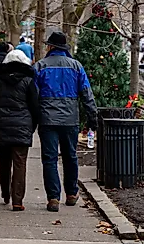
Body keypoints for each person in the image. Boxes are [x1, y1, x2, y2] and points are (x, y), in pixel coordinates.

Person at [34, 31, 97, 213]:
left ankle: (53, 198)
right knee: (70, 156)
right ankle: (71, 193)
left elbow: (33, 96)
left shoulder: (40, 67)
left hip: (47, 120)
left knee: (50, 159)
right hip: (70, 119)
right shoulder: (76, 67)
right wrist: (92, 117)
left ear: (51, 47)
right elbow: (87, 94)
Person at [0, 50, 40, 211]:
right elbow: (34, 106)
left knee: (4, 162)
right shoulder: (28, 81)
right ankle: (17, 200)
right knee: (20, 163)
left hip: (1, 125)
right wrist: (33, 125)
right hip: (22, 126)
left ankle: (5, 193)